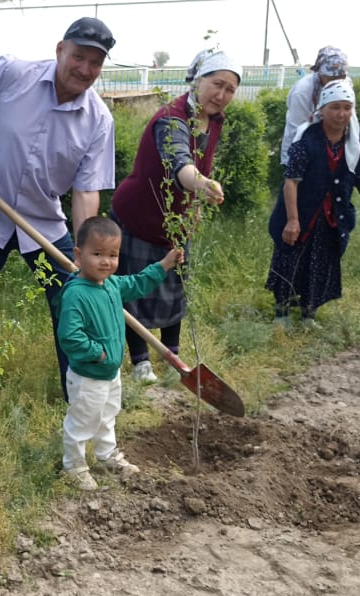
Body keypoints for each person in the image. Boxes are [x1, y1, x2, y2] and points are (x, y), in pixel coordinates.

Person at [0, 17, 117, 404]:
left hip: (42, 223)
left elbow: (86, 191)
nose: (85, 69)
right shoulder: (13, 74)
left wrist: (84, 253)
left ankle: (77, 390)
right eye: (79, 57)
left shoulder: (98, 121)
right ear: (60, 50)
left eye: (95, 63)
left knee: (73, 304)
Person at [110, 49, 239, 384]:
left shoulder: (214, 121)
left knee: (174, 288)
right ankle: (140, 363)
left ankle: (173, 358)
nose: (222, 95)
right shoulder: (171, 118)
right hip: (138, 217)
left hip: (176, 223)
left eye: (230, 89)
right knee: (135, 289)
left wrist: (195, 204)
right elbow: (180, 161)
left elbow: (201, 164)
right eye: (217, 84)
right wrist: (202, 185)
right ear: (198, 81)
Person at [56, 217, 184, 490]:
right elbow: (69, 336)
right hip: (89, 374)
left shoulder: (112, 285)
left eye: (113, 255)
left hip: (110, 373)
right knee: (83, 420)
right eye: (98, 254)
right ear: (78, 255)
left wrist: (165, 264)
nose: (106, 262)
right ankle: (74, 465)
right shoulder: (76, 294)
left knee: (107, 415)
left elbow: (139, 283)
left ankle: (106, 455)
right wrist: (98, 354)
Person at [266, 79, 360, 326]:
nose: (341, 114)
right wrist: (292, 220)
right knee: (290, 259)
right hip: (302, 213)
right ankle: (281, 312)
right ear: (323, 110)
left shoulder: (357, 139)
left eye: (347, 108)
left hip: (332, 217)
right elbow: (291, 182)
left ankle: (309, 312)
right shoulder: (307, 138)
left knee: (321, 264)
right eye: (335, 107)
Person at [281, 46, 349, 166]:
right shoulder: (302, 92)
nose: (336, 82)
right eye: (331, 77)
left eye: (340, 77)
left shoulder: (346, 84)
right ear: (320, 72)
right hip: (300, 149)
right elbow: (296, 131)